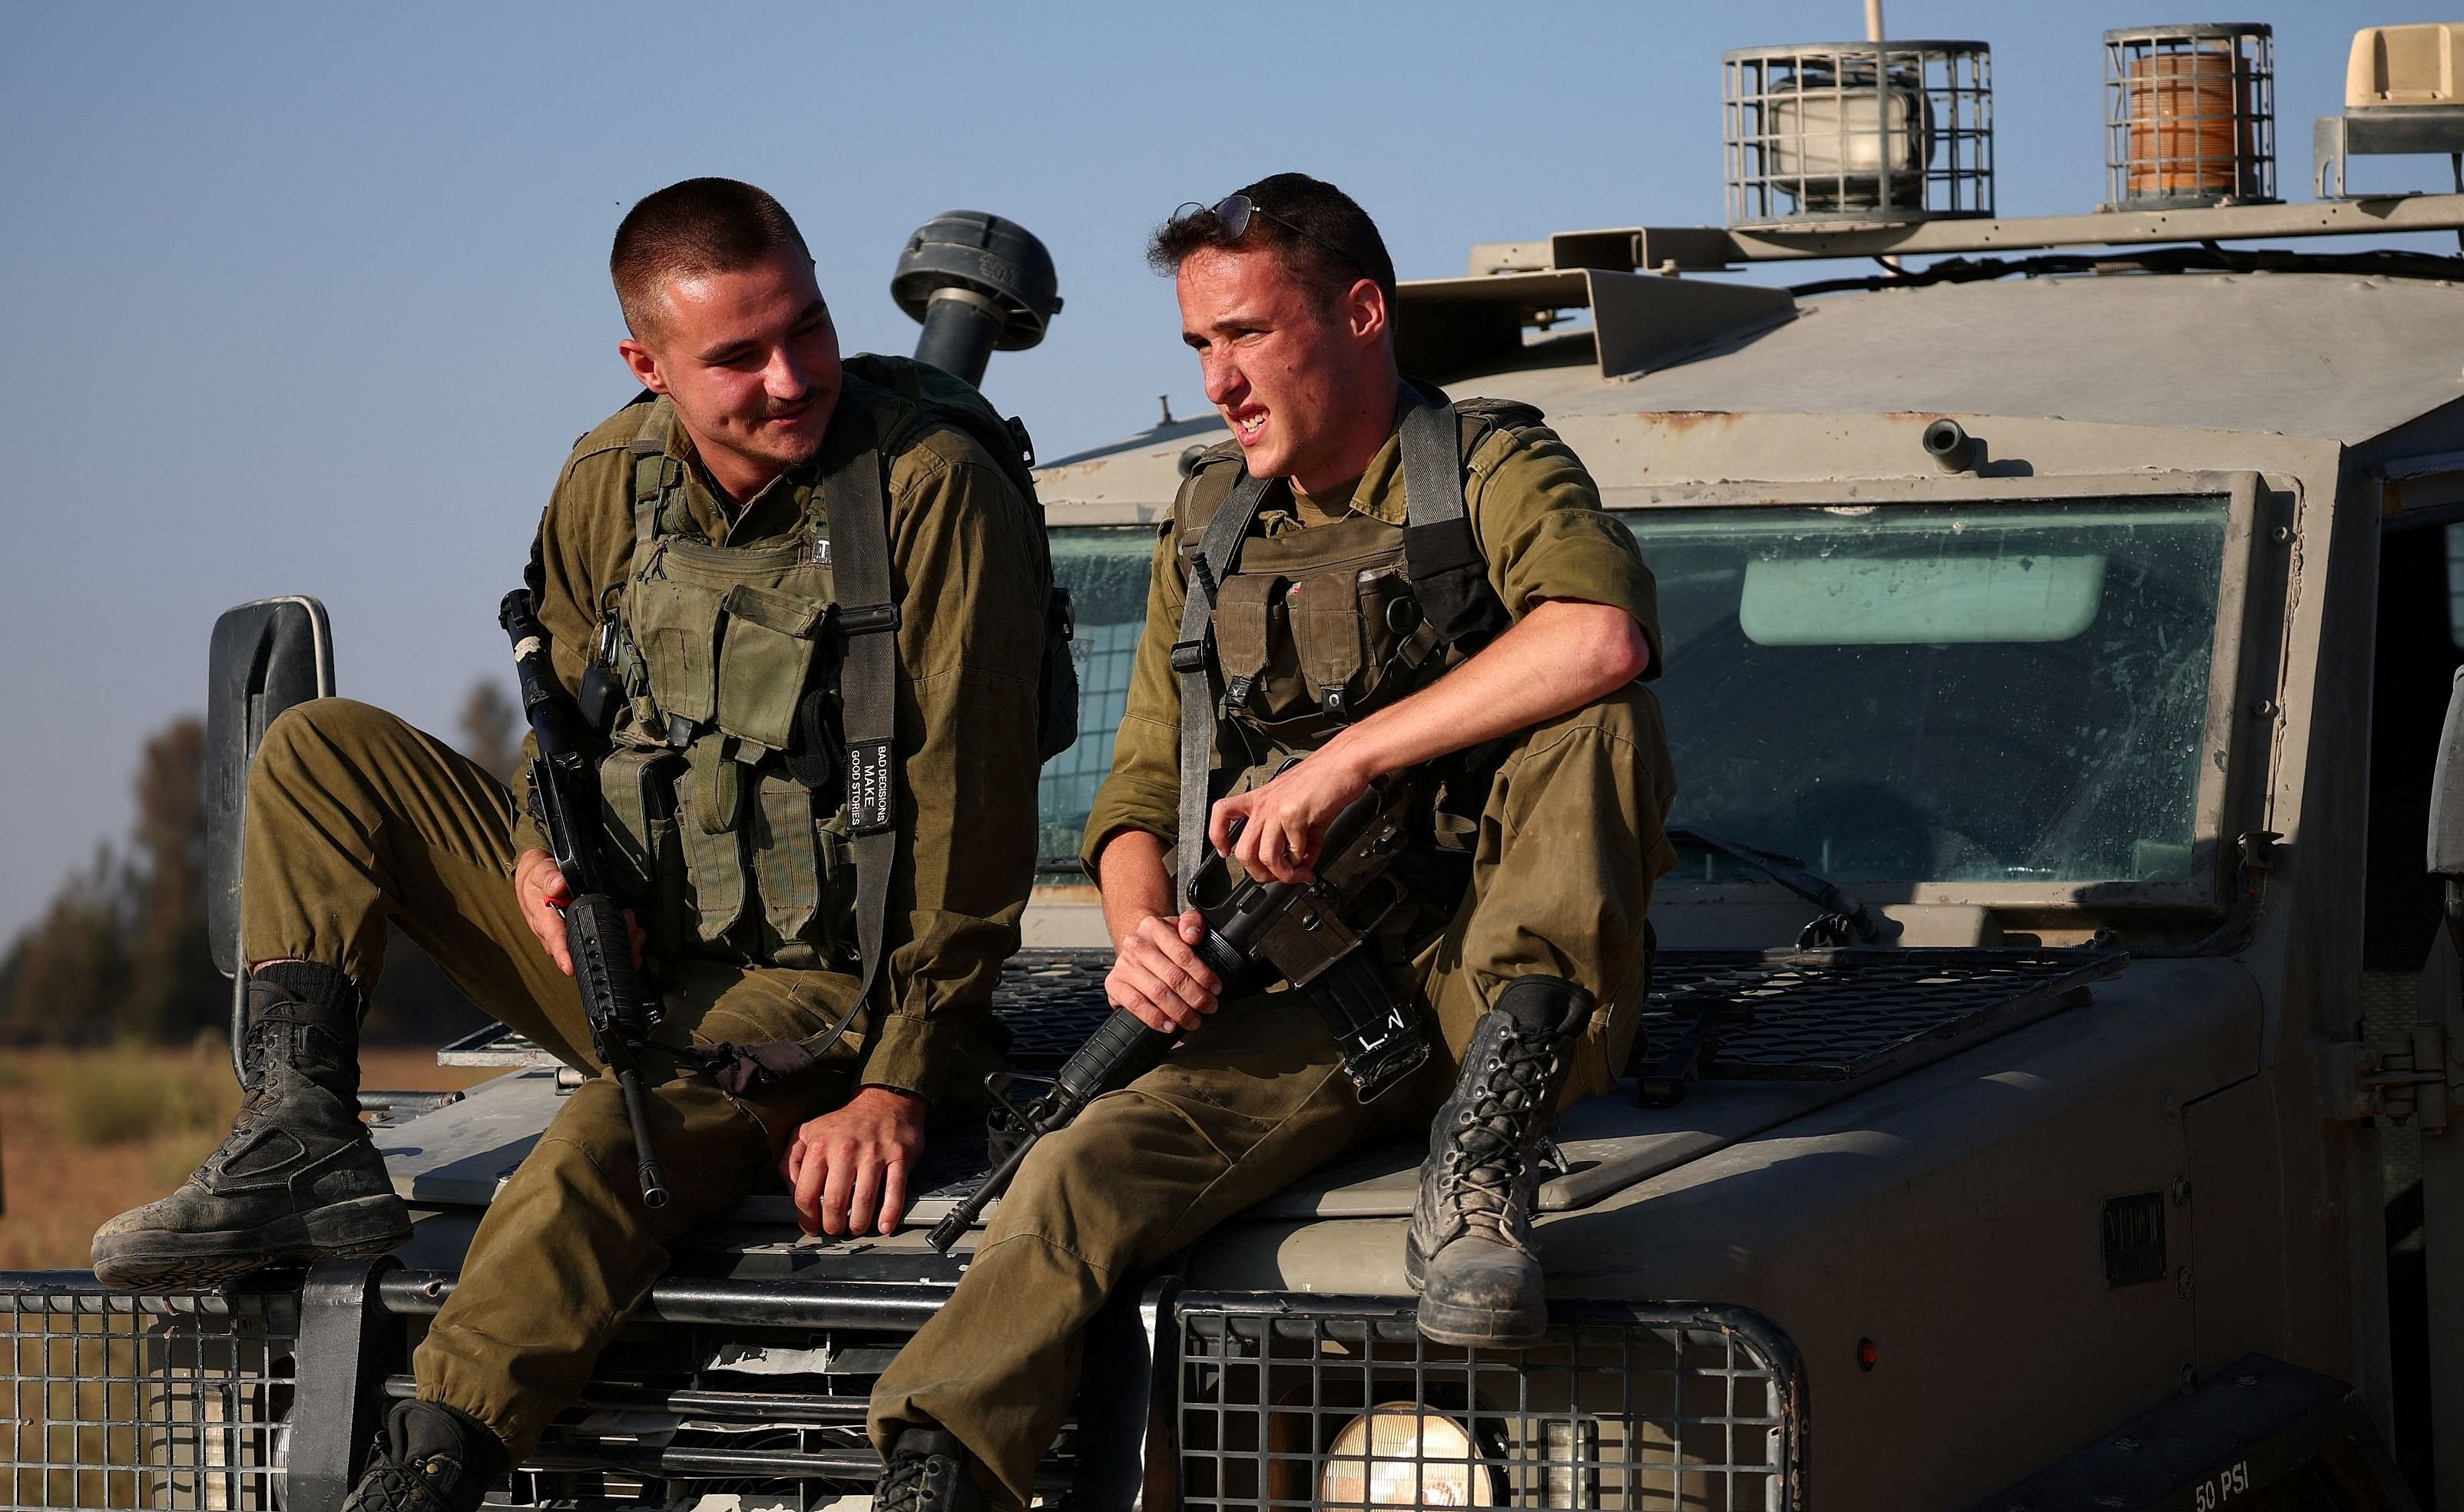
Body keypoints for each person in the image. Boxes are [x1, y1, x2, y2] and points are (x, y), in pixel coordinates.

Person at [87, 178, 1055, 1512]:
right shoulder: (616, 478)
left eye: (810, 328)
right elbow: (568, 718)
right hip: (630, 948)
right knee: (320, 749)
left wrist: (898, 1078)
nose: (792, 377)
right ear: (645, 365)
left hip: (825, 990)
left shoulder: (932, 494)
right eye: (738, 357)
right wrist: (546, 854)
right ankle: (302, 1132)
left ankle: (428, 1468)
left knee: (612, 1133)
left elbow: (973, 826)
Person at [863, 172, 1675, 1511]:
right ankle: (934, 1469)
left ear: (1361, 315)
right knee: (1078, 1166)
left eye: (1245, 335)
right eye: (1198, 346)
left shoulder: (1490, 469)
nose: (1220, 378)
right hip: (1299, 991)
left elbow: (1600, 636)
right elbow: (1132, 805)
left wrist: (1351, 755)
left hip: (1502, 990)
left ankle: (1477, 1181)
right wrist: (1142, 945)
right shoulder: (1213, 521)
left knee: (1602, 721)